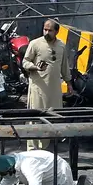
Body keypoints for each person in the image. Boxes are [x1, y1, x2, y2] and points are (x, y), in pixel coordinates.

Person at [22, 18, 73, 151]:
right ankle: (32, 149)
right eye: (45, 29)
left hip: (54, 90)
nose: (46, 32)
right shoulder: (35, 44)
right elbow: (25, 62)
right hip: (38, 88)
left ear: (56, 31)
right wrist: (34, 67)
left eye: (50, 30)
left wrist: (69, 83)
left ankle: (43, 150)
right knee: (35, 118)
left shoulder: (61, 45)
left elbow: (64, 67)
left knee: (50, 119)